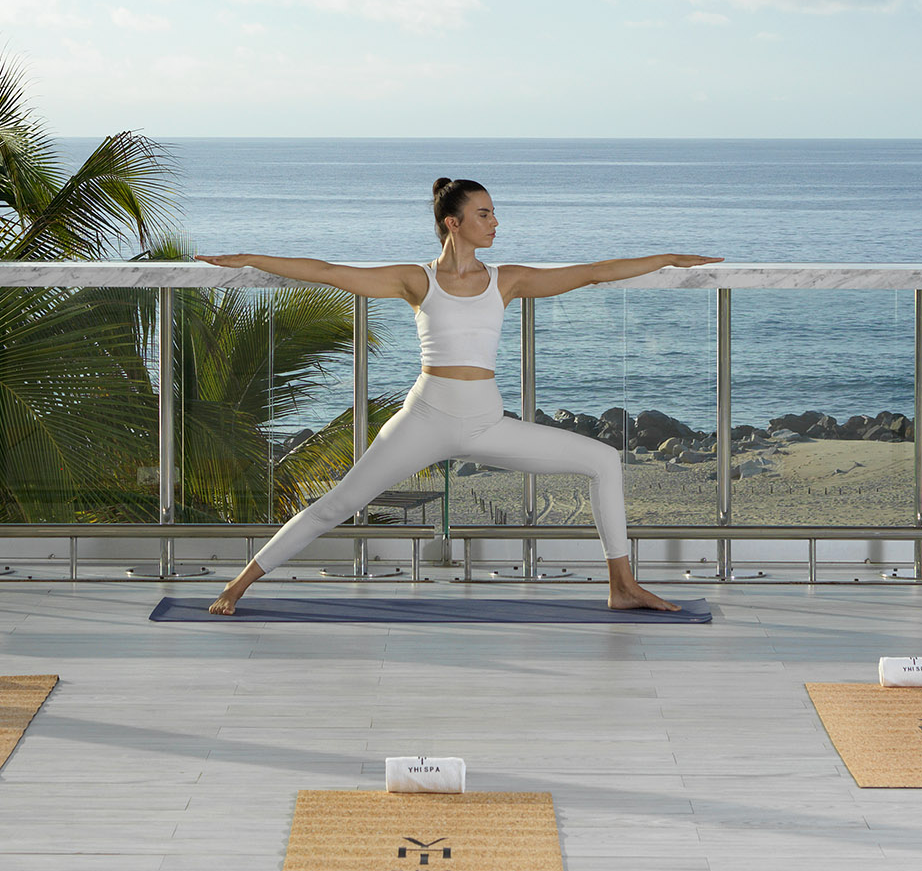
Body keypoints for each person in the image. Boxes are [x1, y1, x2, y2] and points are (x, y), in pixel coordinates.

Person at [195, 178, 717, 613]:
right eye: (485, 214)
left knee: (604, 459)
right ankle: (235, 586)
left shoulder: (507, 280)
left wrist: (668, 258)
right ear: (454, 222)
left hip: (488, 421)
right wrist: (247, 259)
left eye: (494, 214)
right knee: (339, 504)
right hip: (426, 417)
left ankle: (622, 586)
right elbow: (328, 272)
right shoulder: (416, 279)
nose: (495, 223)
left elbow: (595, 272)